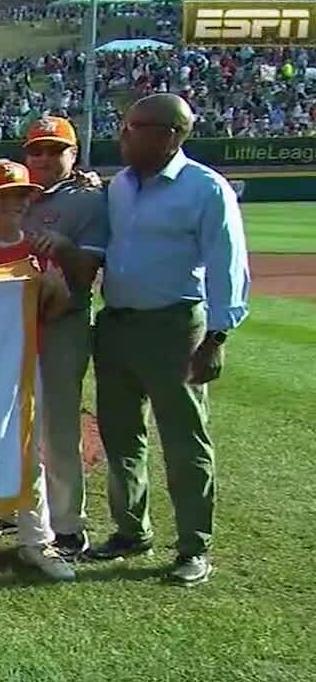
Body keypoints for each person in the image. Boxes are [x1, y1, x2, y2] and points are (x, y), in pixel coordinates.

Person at [89, 93, 250, 587]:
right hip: (115, 324)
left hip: (175, 327)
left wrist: (216, 337)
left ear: (172, 134)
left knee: (184, 441)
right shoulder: (118, 186)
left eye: (136, 127)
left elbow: (228, 267)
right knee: (120, 437)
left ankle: (193, 547)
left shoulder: (205, 188)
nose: (124, 134)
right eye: (126, 125)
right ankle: (131, 530)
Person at [0, 160, 76, 585]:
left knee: (29, 454)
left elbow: (58, 308)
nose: (14, 203)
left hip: (26, 362)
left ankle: (36, 539)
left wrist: (53, 287)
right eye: (4, 195)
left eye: (21, 195)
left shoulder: (36, 250)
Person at [20, 116, 110, 558]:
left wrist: (65, 248)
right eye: (36, 150)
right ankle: (19, 510)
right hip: (11, 325)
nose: (44, 159)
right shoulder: (12, 189)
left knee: (57, 425)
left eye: (56, 150)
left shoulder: (88, 200)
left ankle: (68, 524)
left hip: (62, 320)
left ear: (73, 155)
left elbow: (89, 271)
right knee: (11, 423)